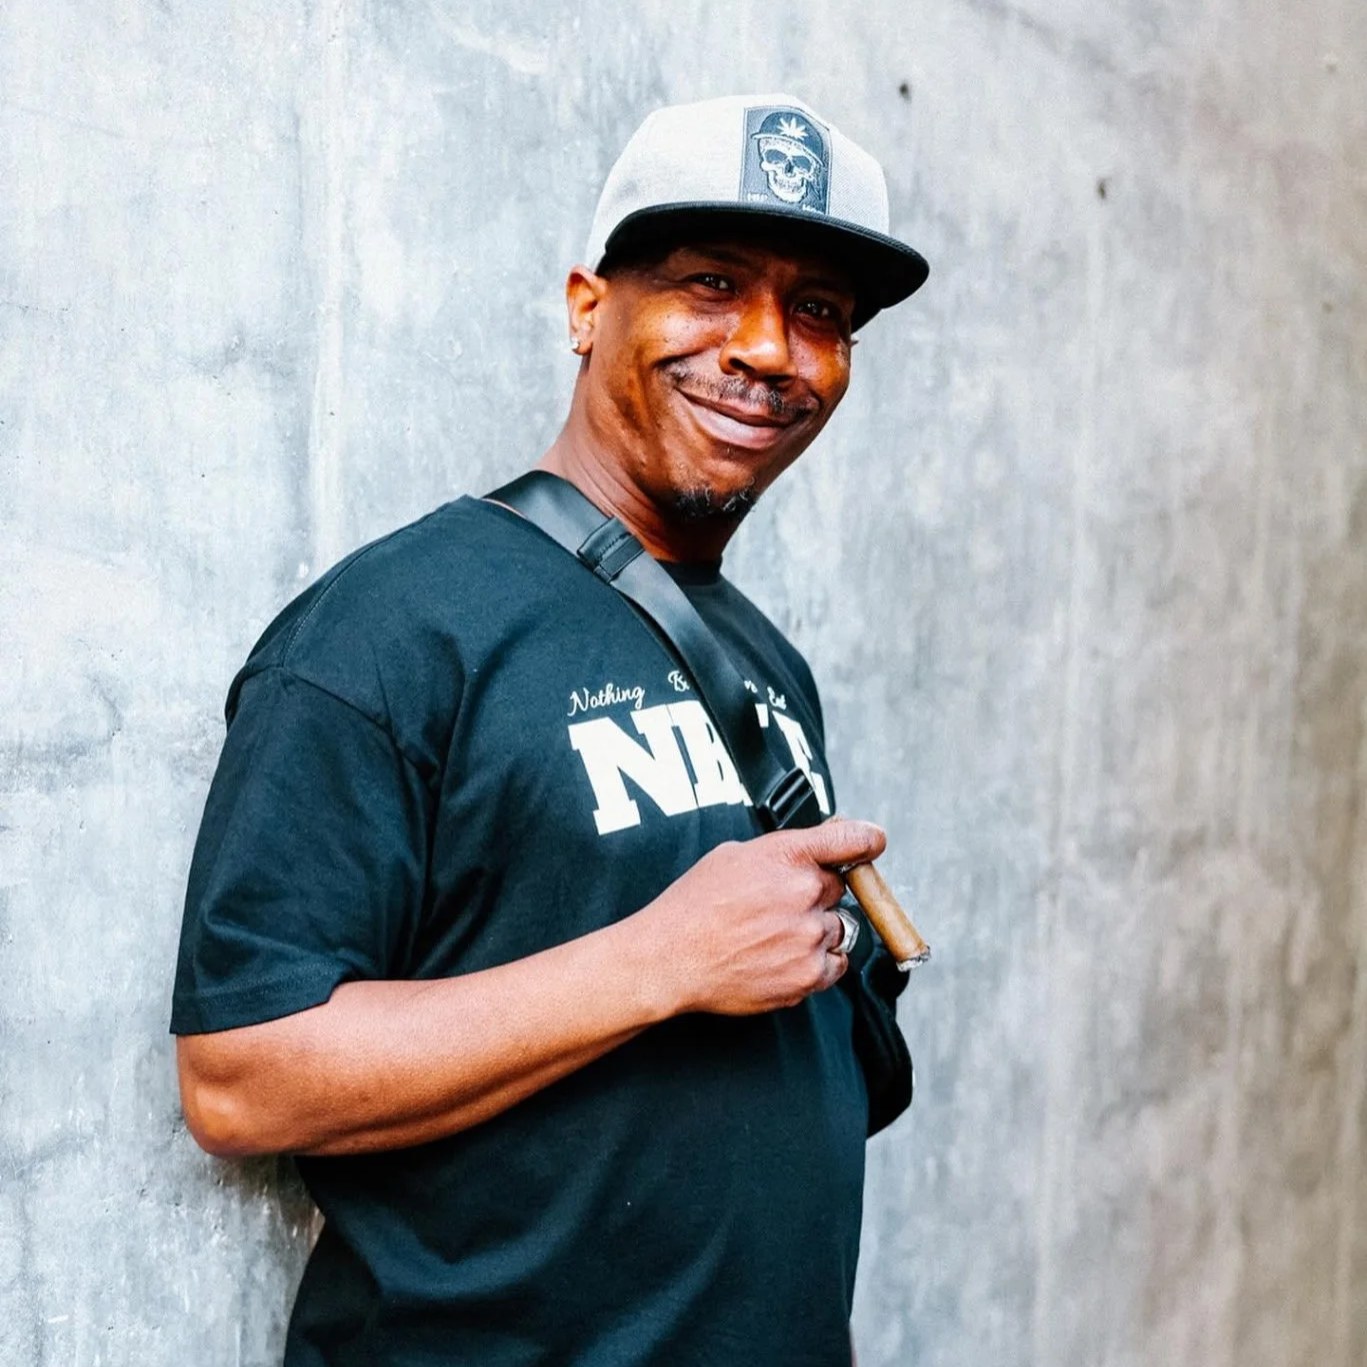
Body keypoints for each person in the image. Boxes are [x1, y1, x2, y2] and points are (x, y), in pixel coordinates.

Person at [171, 92, 929, 1367]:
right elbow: (240, 1074)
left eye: (817, 312)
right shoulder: (390, 628)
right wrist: (659, 960)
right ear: (588, 307)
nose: (765, 347)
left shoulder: (757, 653)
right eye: (708, 282)